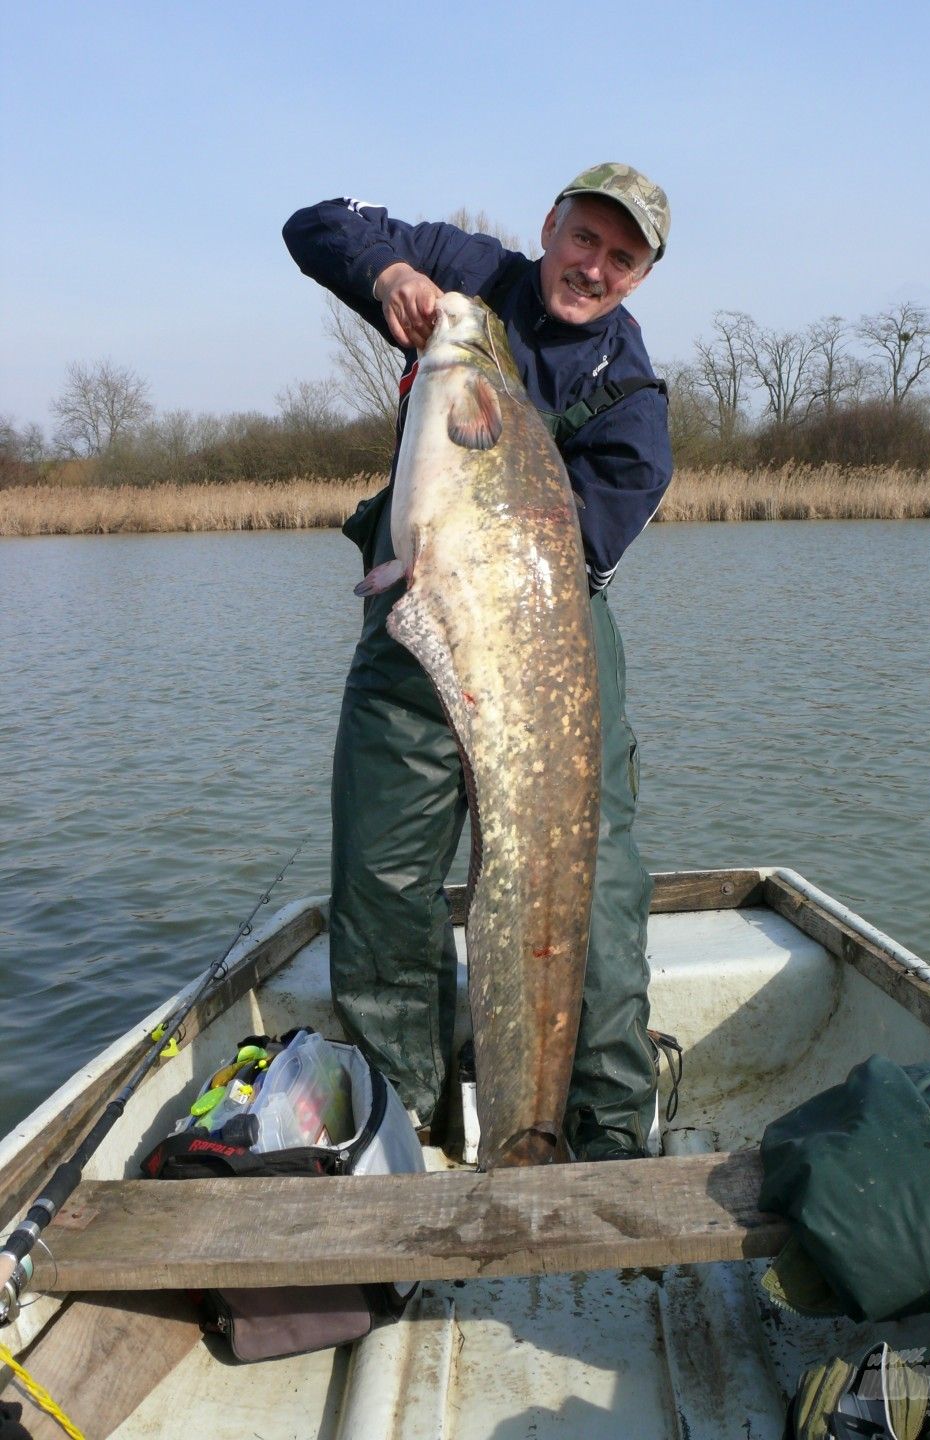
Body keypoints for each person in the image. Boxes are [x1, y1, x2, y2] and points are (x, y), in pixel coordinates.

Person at [283, 163, 672, 1161]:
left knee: (592, 889)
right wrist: (388, 279)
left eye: (621, 258)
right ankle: (401, 1123)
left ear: (640, 277)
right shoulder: (474, 280)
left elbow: (568, 555)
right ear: (552, 225)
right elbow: (316, 223)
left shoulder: (631, 404)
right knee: (382, 882)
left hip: (548, 637)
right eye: (585, 238)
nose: (593, 267)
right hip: (415, 619)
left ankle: (605, 1135)